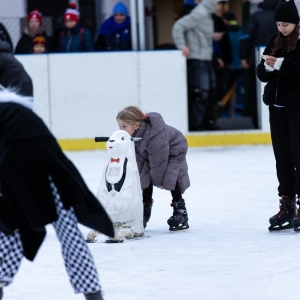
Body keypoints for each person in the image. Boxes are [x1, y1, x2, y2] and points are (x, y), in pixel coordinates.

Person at [0, 89, 114, 300]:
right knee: (68, 230)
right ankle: (93, 294)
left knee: (11, 227)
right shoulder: (15, 108)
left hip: (17, 161)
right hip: (50, 161)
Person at [256, 0, 300, 232]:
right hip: (276, 107)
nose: (282, 28)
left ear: (295, 22)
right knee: (282, 158)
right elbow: (261, 74)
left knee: (298, 156)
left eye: (286, 24)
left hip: (296, 109)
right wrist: (268, 67)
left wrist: (283, 65)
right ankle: (287, 204)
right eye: (279, 24)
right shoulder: (273, 41)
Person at [116, 106, 190, 232]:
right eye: (119, 126)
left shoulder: (154, 137)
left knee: (169, 174)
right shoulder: (134, 136)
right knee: (144, 174)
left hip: (175, 148)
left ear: (136, 125)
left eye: (124, 126)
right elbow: (139, 159)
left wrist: (158, 181)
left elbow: (158, 164)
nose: (121, 130)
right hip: (156, 151)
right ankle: (145, 209)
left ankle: (180, 212)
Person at [172, 0, 222, 131]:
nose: (220, 6)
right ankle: (197, 124)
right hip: (197, 59)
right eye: (219, 3)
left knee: (211, 90)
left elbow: (199, 32)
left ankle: (206, 121)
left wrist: (212, 36)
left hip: (205, 58)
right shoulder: (199, 13)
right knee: (202, 93)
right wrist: (182, 45)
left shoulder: (206, 15)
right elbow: (178, 26)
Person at [240, 0, 280, 128]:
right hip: (278, 61)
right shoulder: (281, 18)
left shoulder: (256, 17)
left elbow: (246, 37)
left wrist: (243, 56)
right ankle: (276, 121)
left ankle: (257, 122)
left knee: (255, 92)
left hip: (256, 61)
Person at [222, 10, 244, 117]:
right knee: (240, 89)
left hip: (228, 65)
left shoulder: (224, 32)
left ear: (225, 20)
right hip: (239, 65)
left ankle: (225, 112)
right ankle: (238, 111)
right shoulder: (241, 31)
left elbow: (224, 49)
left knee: (226, 88)